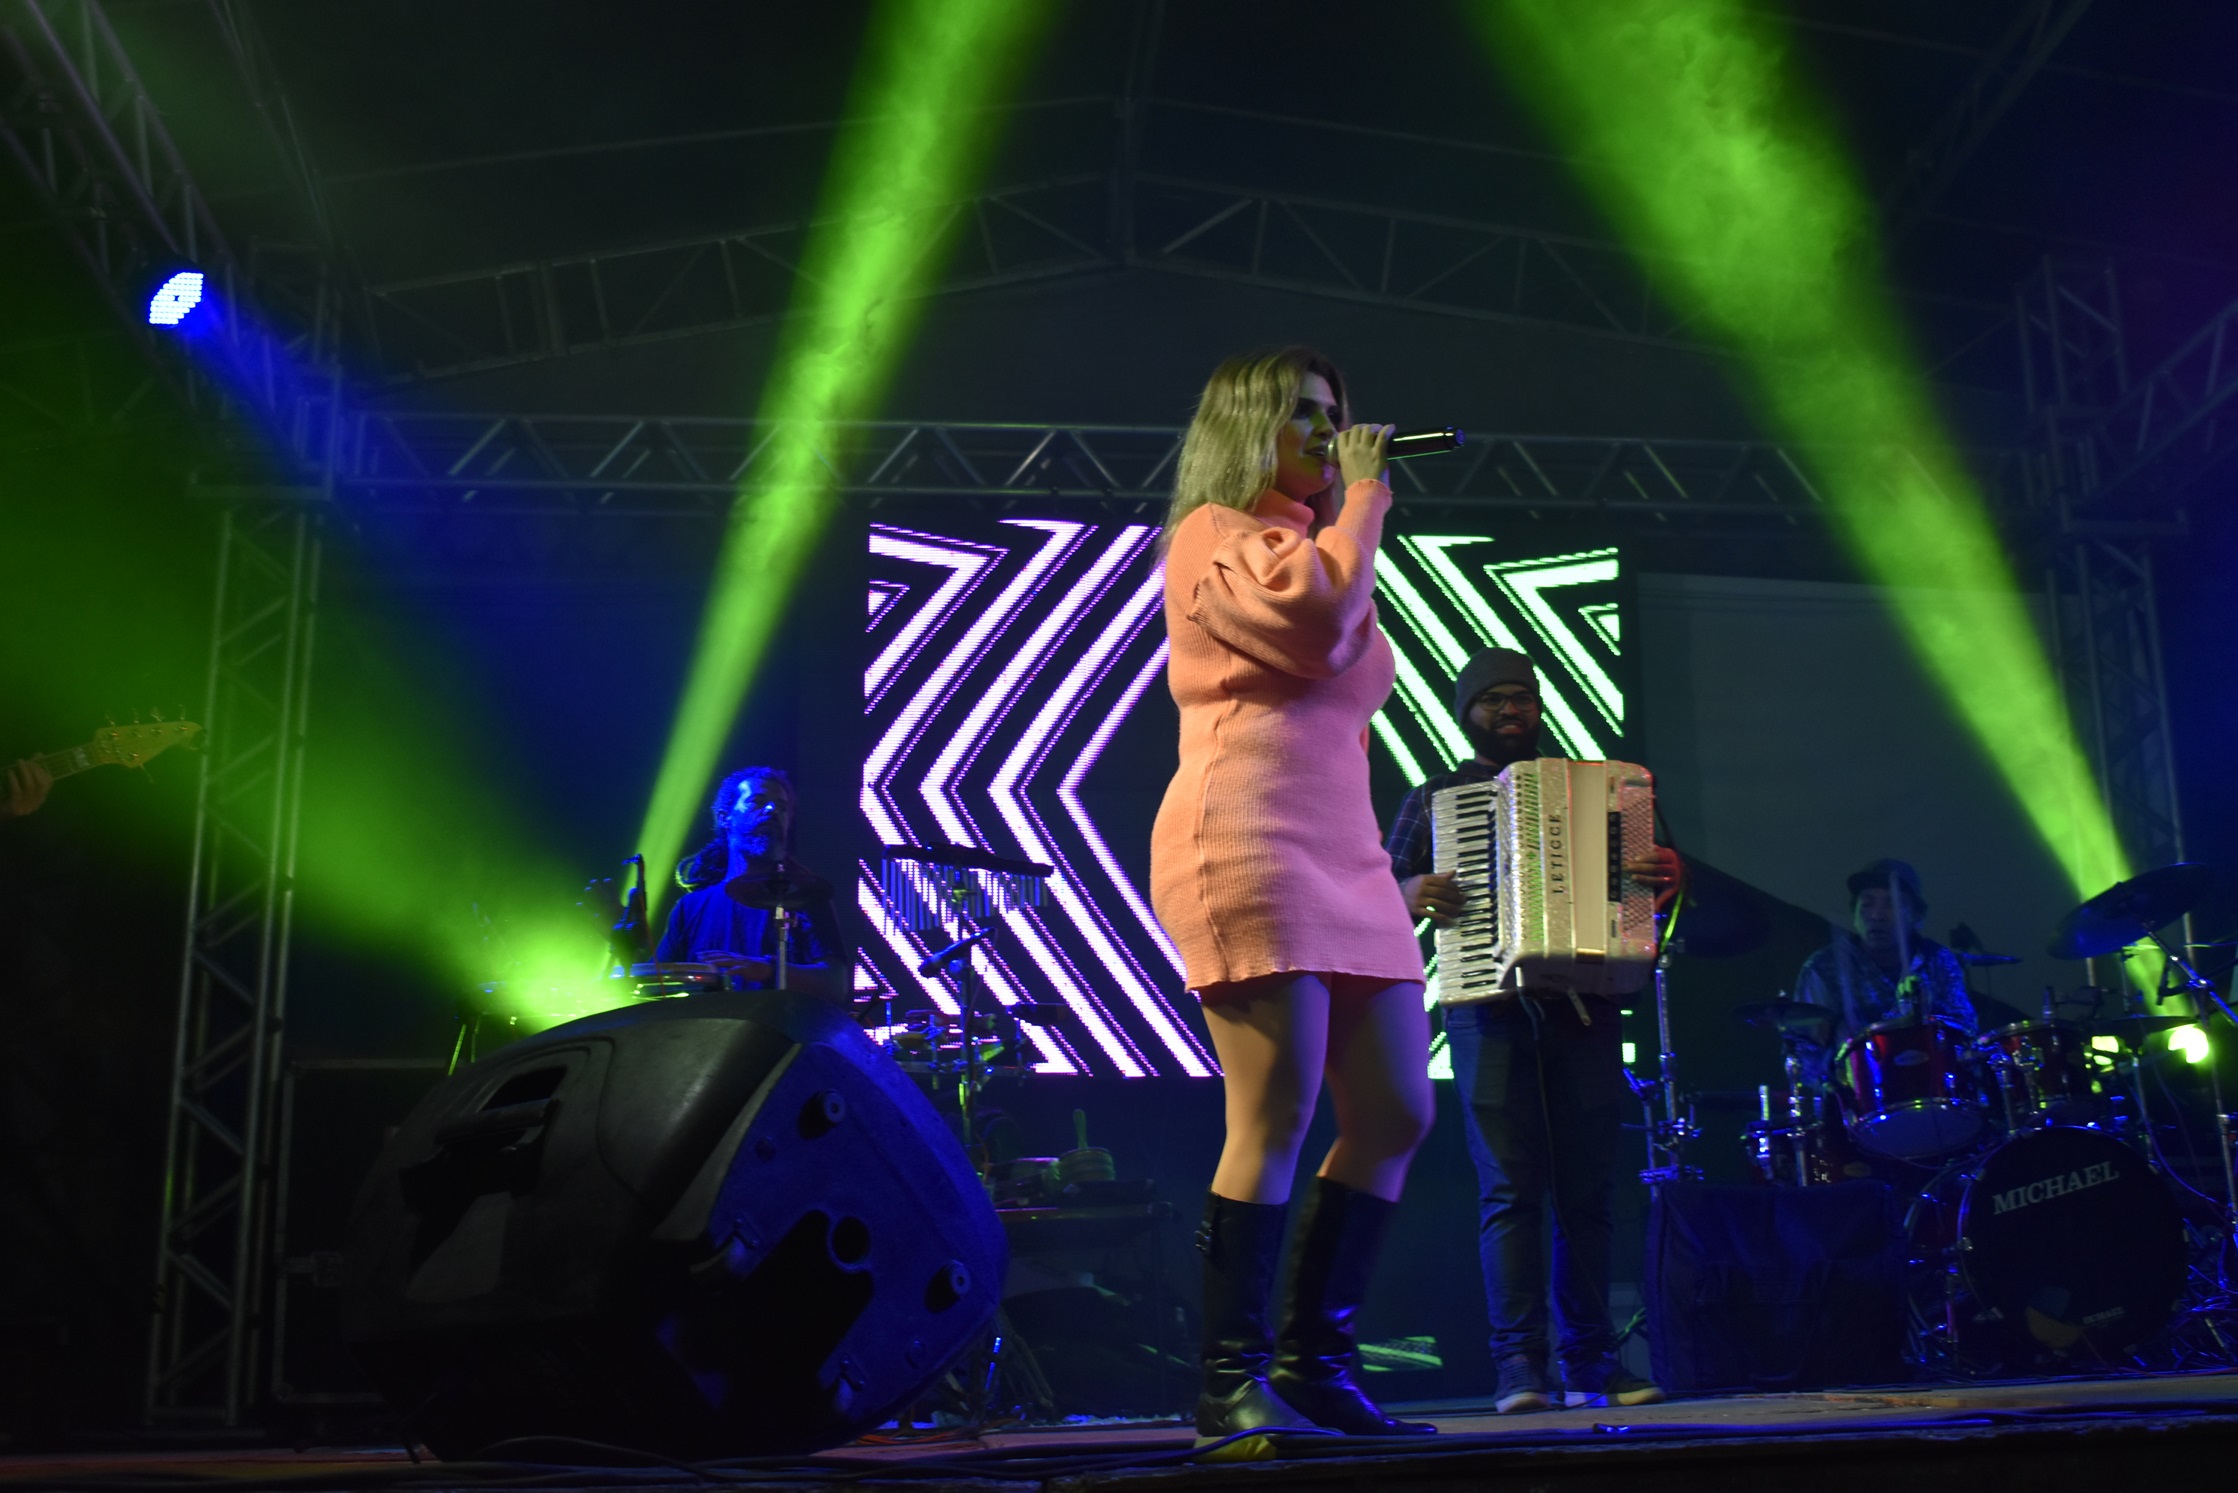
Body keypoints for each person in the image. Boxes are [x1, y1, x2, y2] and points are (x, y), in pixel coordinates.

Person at [1150, 347, 1437, 1444]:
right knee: (1273, 1113)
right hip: (1248, 840)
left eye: (1336, 414)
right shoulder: (1215, 535)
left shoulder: (1315, 548)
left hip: (1346, 857)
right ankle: (1228, 1384)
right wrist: (1366, 496)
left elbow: (1337, 662)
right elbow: (1316, 628)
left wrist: (1347, 518)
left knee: (1399, 1110)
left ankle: (1319, 1365)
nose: (1329, 432)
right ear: (1248, 428)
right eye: (1304, 415)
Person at [1385, 647, 1680, 1414]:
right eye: (1494, 700)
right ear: (1467, 714)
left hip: (1586, 1006)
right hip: (1486, 1006)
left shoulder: (1607, 791)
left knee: (1588, 1191)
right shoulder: (1437, 797)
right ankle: (1519, 1364)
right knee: (1510, 1189)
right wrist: (1408, 888)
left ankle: (1591, 1361)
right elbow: (1374, 891)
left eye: (1522, 697)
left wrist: (1665, 876)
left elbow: (1650, 891)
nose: (1511, 710)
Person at [657, 767, 844, 1004]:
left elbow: (836, 985)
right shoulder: (689, 908)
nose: (772, 810)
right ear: (725, 818)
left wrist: (767, 969)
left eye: (782, 807)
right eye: (757, 802)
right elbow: (656, 986)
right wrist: (628, 945)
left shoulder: (806, 897)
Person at [1792, 858, 1975, 1060]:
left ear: (1917, 917)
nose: (1877, 915)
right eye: (1867, 904)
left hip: (1932, 1074)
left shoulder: (1938, 960)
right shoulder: (1824, 967)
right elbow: (1803, 1056)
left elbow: (1968, 1033)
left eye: (1892, 904)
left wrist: (1930, 1011)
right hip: (1856, 1079)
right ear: (1854, 913)